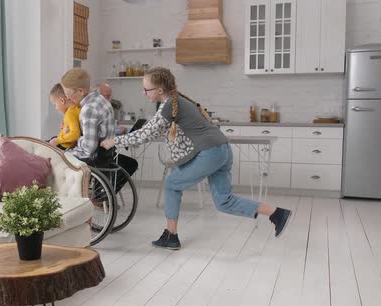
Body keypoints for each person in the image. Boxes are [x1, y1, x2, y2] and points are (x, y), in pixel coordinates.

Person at [100, 67, 292, 250]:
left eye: (146, 89)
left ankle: (171, 235)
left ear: (159, 90)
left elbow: (145, 134)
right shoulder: (177, 99)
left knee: (172, 183)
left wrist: (114, 141)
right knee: (223, 201)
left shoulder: (169, 105)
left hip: (210, 152)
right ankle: (277, 213)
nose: (144, 93)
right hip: (222, 149)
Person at [96, 82, 138, 191]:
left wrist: (123, 131)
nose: (108, 98)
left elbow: (108, 130)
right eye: (105, 95)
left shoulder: (107, 110)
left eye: (109, 95)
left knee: (131, 164)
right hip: (100, 153)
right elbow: (100, 131)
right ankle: (104, 194)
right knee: (130, 164)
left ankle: (109, 193)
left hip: (109, 151)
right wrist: (117, 130)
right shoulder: (93, 110)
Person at [48, 83, 81, 150]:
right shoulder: (77, 107)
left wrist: (58, 140)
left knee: (44, 145)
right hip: (65, 141)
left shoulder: (70, 114)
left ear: (62, 101)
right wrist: (65, 127)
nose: (56, 108)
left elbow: (75, 134)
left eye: (55, 105)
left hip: (64, 146)